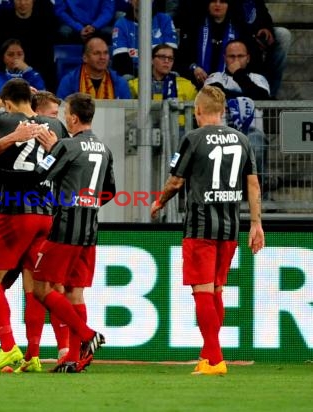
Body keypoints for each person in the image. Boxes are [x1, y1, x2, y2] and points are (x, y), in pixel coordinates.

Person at [0, 92, 115, 373]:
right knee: (72, 292)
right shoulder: (102, 148)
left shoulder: (66, 146)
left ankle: (83, 336)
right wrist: (87, 202)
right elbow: (111, 191)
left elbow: (37, 178)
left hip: (59, 227)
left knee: (38, 287)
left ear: (72, 117)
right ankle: (70, 357)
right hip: (88, 230)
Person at [150, 85, 264, 375]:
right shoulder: (242, 140)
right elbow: (252, 185)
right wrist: (256, 224)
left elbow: (176, 182)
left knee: (202, 293)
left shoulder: (193, 138)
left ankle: (215, 359)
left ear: (198, 111)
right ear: (222, 112)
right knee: (215, 292)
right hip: (229, 228)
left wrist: (159, 202)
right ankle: (207, 355)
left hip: (200, 227)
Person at [0, 78, 70, 373]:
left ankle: (8, 346)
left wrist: (0, 102)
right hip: (46, 213)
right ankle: (34, 354)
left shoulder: (5, 118)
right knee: (36, 286)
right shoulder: (57, 127)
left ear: (8, 103)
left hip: (15, 212)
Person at [205, 39, 269, 178]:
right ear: (224, 58)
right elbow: (214, 95)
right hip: (221, 132)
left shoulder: (258, 79)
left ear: (248, 58)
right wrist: (246, 94)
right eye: (231, 56)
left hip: (252, 132)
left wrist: (238, 74)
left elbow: (261, 97)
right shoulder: (215, 77)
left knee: (256, 147)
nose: (236, 60)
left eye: (240, 56)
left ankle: (257, 195)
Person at [176, 0, 256, 89]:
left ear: (228, 5)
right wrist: (194, 68)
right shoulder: (194, 26)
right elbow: (181, 59)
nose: (217, 5)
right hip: (197, 85)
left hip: (232, 87)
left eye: (222, 1)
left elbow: (253, 63)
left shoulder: (241, 28)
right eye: (213, 1)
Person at [0, 0, 58, 92]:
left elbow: (46, 58)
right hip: (6, 72)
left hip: (36, 72)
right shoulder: (2, 21)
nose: (22, 3)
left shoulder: (45, 21)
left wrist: (27, 70)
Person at [128, 44, 197, 128]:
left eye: (170, 58)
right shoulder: (135, 85)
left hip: (178, 133)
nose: (167, 61)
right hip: (146, 132)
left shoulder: (187, 86)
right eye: (162, 57)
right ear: (152, 60)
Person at [111, 0, 178, 78]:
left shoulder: (164, 20)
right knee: (127, 77)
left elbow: (171, 55)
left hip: (161, 74)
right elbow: (120, 60)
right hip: (134, 77)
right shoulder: (121, 24)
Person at [239, 0, 291, 98]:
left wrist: (266, 28)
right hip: (235, 36)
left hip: (255, 37)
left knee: (283, 35)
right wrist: (252, 37)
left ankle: (270, 94)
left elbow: (264, 16)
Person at [57, 35, 131, 100]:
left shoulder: (120, 83)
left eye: (105, 53)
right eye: (97, 53)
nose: (102, 57)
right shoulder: (69, 82)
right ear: (85, 57)